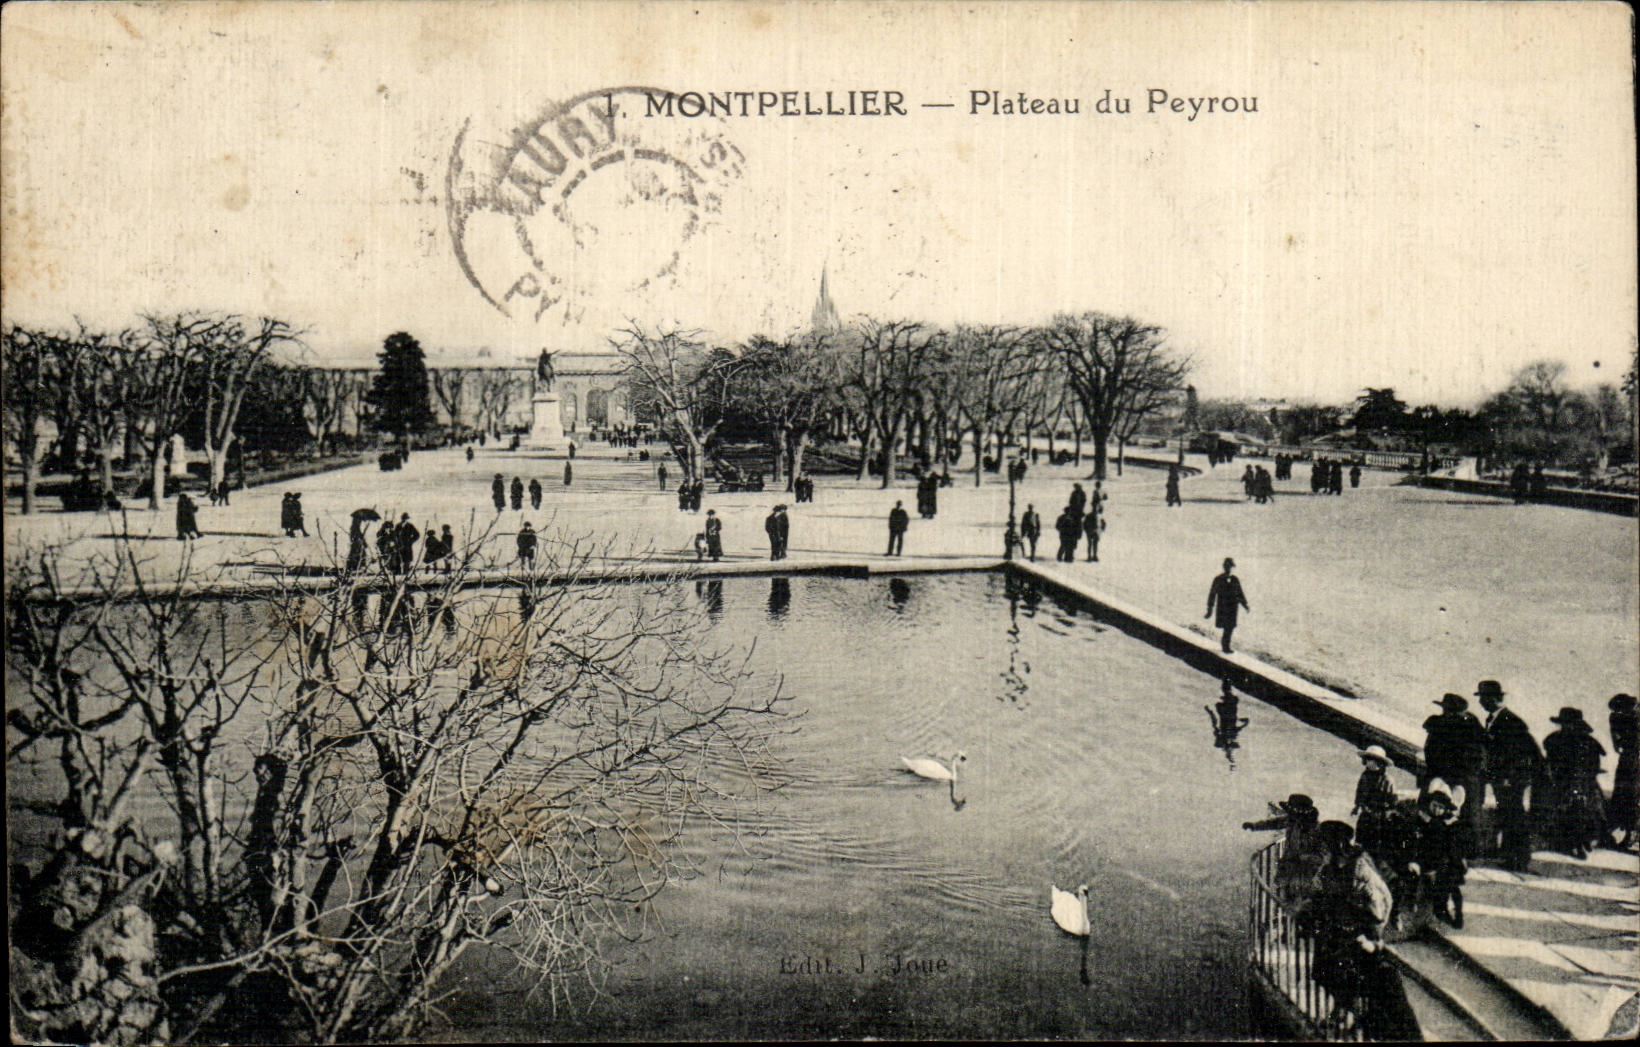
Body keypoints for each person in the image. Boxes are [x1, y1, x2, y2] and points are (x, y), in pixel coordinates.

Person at [1295, 821, 1415, 1041]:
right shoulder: (1327, 869)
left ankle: (1355, 1018)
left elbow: (1381, 904)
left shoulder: (1359, 872)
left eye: (1325, 847)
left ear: (1337, 846)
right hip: (1334, 932)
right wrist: (1308, 912)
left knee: (1355, 980)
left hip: (1357, 936)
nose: (1322, 851)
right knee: (1326, 973)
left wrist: (1369, 935)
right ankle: (1342, 1011)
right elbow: (1316, 894)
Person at [1478, 680, 1541, 871]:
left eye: (1483, 697)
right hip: (1502, 778)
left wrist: (1508, 777)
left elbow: (1520, 753)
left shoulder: (1510, 721)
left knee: (1514, 816)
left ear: (1493, 699)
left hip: (1511, 779)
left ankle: (1519, 858)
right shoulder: (1494, 719)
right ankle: (1509, 856)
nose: (1480, 702)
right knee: (1507, 814)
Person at [1539, 707, 1606, 859]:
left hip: (1583, 783)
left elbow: (1594, 764)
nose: (1566, 727)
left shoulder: (1588, 742)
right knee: (1569, 809)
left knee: (1584, 808)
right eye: (1564, 723)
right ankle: (1573, 843)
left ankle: (1583, 841)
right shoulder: (1554, 740)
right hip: (1564, 782)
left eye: (1569, 724)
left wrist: (1584, 778)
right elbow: (1550, 763)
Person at [1420, 693, 1487, 842]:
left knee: (1459, 819)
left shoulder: (1465, 729)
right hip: (1457, 780)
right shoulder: (1469, 727)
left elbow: (1431, 752)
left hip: (1456, 781)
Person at [1406, 783, 1468, 928]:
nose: (1436, 810)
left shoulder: (1449, 823)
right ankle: (1417, 903)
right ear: (1429, 804)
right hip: (1426, 858)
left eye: (1440, 807)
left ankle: (1457, 913)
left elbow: (1453, 845)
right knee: (1417, 876)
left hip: (1445, 860)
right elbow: (1415, 839)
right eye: (1434, 805)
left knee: (1451, 884)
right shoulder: (1422, 819)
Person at [1243, 793, 1323, 903]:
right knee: (1284, 895)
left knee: (1302, 898)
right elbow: (1273, 823)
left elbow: (1323, 855)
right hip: (1288, 866)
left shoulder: (1316, 829)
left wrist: (1307, 858)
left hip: (1305, 871)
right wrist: (1254, 826)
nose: (1290, 816)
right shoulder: (1292, 820)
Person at [1352, 745, 1399, 861]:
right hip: (1365, 814)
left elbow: (1393, 801)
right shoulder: (1365, 775)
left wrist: (1387, 815)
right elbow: (1360, 792)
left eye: (1372, 760)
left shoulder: (1387, 780)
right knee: (1359, 840)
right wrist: (1357, 806)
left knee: (1374, 844)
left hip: (1379, 817)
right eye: (1368, 759)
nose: (1369, 762)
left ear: (1380, 763)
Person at [1607, 694, 1639, 851]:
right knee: (1624, 795)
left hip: (1632, 759)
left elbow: (1617, 744)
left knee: (1631, 796)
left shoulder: (1630, 717)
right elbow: (1617, 744)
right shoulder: (1617, 718)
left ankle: (1631, 835)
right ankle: (1626, 834)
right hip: (1629, 759)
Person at [1204, 557, 1249, 653]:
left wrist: (1245, 605)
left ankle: (1226, 645)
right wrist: (1209, 609)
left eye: (1230, 566)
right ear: (1224, 567)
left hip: (1233, 608)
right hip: (1223, 607)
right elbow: (1212, 594)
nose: (1228, 568)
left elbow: (1240, 593)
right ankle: (1225, 646)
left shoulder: (1235, 579)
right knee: (1226, 626)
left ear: (1232, 567)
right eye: (1226, 566)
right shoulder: (1218, 579)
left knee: (1230, 627)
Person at [1082, 496, 1104, 562]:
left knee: (1095, 544)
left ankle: (1094, 556)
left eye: (1096, 507)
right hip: (1090, 531)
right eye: (1094, 507)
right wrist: (1086, 530)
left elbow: (1103, 523)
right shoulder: (1089, 515)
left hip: (1096, 531)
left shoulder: (1099, 516)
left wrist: (1101, 529)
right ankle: (1089, 556)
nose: (1095, 508)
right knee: (1090, 544)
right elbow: (1084, 524)